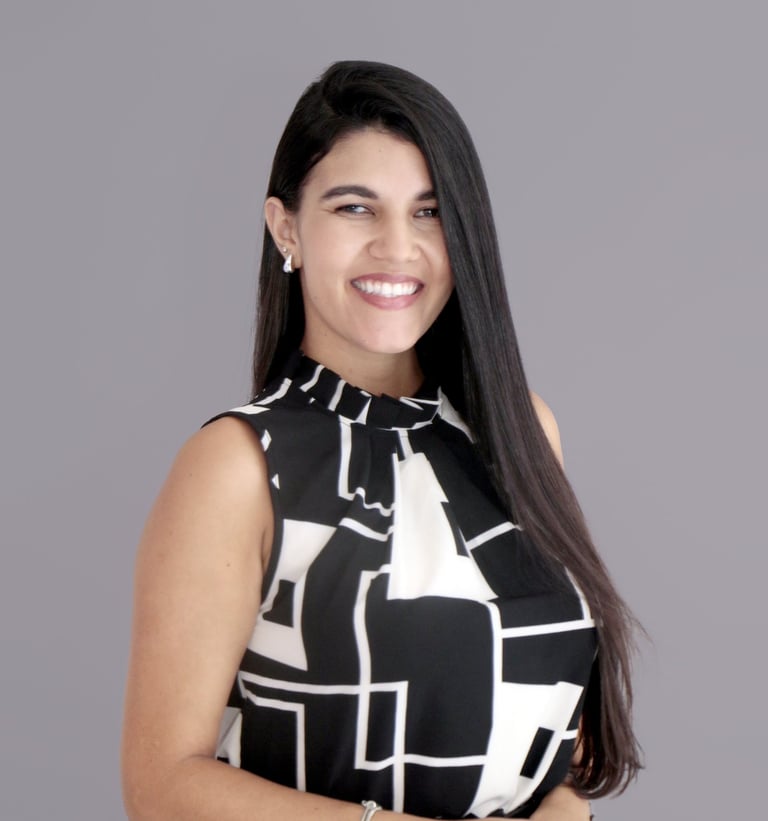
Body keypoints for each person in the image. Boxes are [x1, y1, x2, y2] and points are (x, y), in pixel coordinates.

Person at [121, 61, 642, 820]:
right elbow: (162, 786)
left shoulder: (519, 432)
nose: (398, 249)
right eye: (356, 208)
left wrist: (566, 809)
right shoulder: (240, 466)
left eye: (429, 212)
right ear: (286, 228)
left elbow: (555, 722)